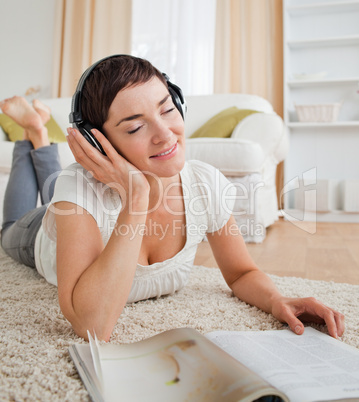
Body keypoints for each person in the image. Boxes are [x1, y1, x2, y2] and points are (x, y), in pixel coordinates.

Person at [1, 55, 344, 342]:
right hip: (38, 235)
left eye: (167, 110)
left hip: (76, 207)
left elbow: (240, 273)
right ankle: (34, 134)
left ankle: (37, 131)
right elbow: (93, 325)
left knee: (54, 182)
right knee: (9, 228)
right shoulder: (78, 186)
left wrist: (276, 299)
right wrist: (136, 199)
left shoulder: (204, 183)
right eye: (135, 128)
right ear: (97, 142)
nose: (165, 135)